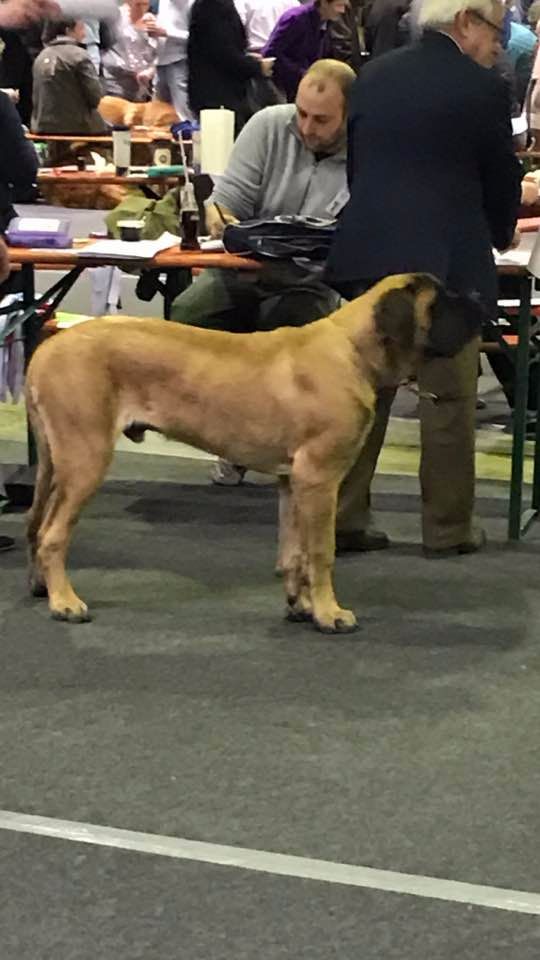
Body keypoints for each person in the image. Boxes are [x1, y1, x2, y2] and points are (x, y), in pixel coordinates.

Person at [325, 0, 522, 557]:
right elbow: (498, 177)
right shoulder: (484, 89)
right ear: (465, 21)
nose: (496, 46)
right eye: (494, 32)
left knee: (362, 393)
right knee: (448, 398)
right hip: (447, 266)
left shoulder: (373, 75)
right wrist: (502, 230)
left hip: (370, 255)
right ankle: (447, 529)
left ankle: (342, 518)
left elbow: (359, 167)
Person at [172, 58, 354, 485]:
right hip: (242, 269)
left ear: (350, 115)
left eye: (322, 120)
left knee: (293, 328)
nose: (307, 127)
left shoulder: (367, 151)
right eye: (302, 113)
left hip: (311, 283)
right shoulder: (268, 126)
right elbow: (224, 202)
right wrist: (224, 219)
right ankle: (229, 438)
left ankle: (295, 449)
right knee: (189, 315)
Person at [187, 0, 275, 132]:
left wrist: (246, 57)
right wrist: (256, 67)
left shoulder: (213, 6)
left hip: (217, 90)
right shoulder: (213, 7)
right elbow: (223, 53)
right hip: (217, 94)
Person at [262, 0, 349, 101]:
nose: (342, 11)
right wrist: (300, 72)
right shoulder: (296, 18)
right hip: (284, 87)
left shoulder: (327, 22)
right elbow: (271, 53)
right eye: (339, 5)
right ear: (324, 3)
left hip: (306, 84)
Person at [31, 19, 108, 134]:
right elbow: (96, 97)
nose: (85, 33)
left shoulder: (41, 57)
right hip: (77, 127)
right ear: (68, 31)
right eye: (81, 28)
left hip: (41, 126)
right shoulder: (80, 56)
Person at [101, 0, 157, 101]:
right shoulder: (113, 17)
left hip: (145, 83)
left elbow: (162, 51)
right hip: (117, 80)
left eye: (145, 4)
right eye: (138, 4)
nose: (141, 8)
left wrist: (151, 71)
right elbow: (103, 47)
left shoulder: (154, 20)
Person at [153, 0, 195, 119]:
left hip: (180, 60)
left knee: (182, 112)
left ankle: (188, 135)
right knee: (159, 112)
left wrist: (167, 33)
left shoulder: (193, 4)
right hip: (160, 61)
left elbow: (199, 36)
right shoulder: (162, 2)